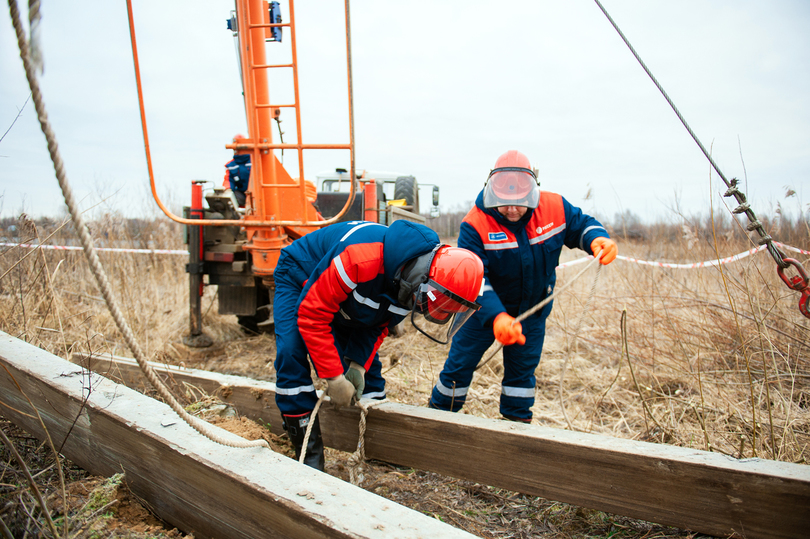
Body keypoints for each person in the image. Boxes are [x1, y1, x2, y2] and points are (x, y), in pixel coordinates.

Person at [273, 219, 485, 470]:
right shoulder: (359, 257)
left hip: (346, 291)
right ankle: (308, 454)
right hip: (300, 273)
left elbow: (377, 324)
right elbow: (313, 315)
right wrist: (333, 377)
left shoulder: (412, 285)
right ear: (422, 280)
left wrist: (358, 365)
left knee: (368, 371)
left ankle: (377, 446)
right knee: (291, 353)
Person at [428, 150, 618, 422]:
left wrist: (597, 238)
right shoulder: (474, 224)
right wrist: (496, 316)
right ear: (492, 191)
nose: (513, 209)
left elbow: (581, 225)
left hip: (531, 314)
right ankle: (436, 423)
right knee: (458, 369)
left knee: (521, 377)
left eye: (520, 202)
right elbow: (475, 280)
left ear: (533, 192)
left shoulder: (555, 207)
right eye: (505, 203)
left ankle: (516, 434)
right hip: (478, 314)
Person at [223, 134, 251, 208]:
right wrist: (228, 189)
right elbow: (229, 180)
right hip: (241, 195)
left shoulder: (255, 162)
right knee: (231, 196)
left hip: (258, 194)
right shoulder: (231, 166)